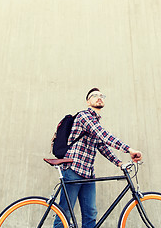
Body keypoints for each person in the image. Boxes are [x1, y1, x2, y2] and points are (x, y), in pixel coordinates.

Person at [53, 88, 142, 228]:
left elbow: (102, 146)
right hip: (73, 170)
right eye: (94, 96)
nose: (99, 98)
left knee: (90, 214)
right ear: (88, 101)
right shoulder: (84, 116)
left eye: (101, 96)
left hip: (88, 174)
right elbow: (103, 135)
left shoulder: (95, 122)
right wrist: (128, 149)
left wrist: (119, 163)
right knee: (64, 215)